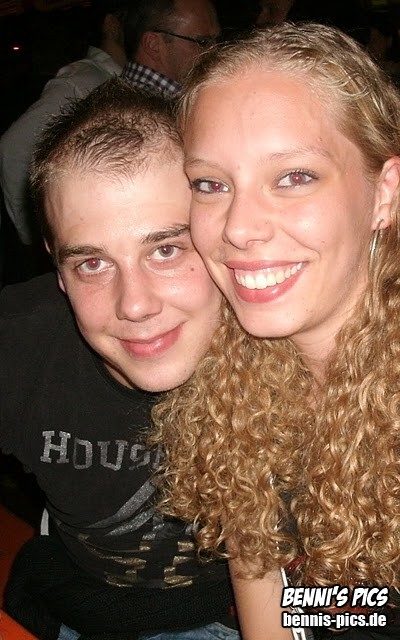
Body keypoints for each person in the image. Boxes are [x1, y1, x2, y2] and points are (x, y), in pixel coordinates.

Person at [150, 22, 400, 640]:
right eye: (211, 185)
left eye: (293, 177)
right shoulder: (235, 374)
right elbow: (278, 602)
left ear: (385, 193)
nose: (238, 228)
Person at [0, 77, 239, 640]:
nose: (134, 304)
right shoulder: (21, 346)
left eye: (166, 249)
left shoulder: (289, 345)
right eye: (92, 264)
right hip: (89, 609)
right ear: (57, 269)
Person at [0, 0, 128, 261]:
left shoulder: (114, 78)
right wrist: (34, 236)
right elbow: (14, 148)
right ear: (112, 25)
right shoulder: (84, 80)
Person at [122, 0, 220, 97]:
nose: (215, 52)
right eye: (203, 42)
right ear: (153, 45)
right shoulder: (148, 104)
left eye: (217, 40)